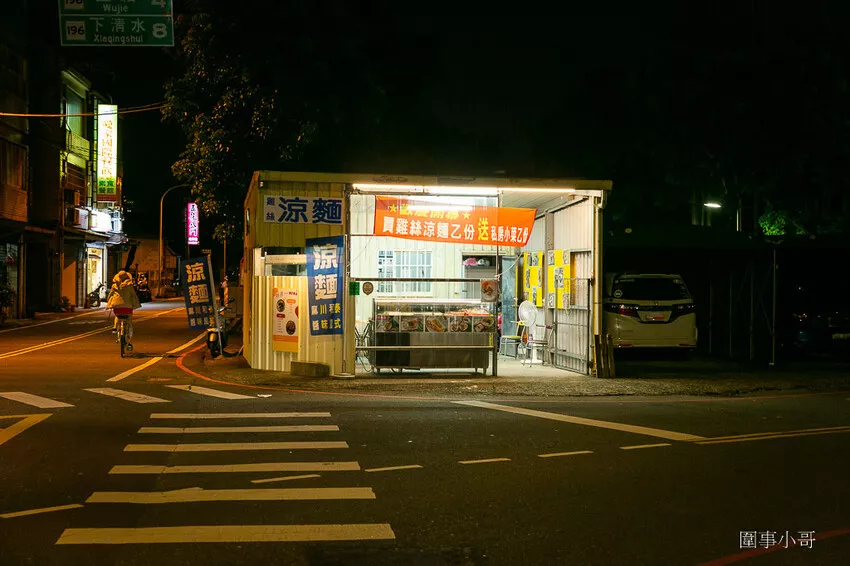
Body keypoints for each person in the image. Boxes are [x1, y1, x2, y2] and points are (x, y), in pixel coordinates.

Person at [106, 270, 142, 350]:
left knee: (117, 315)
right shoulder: (129, 286)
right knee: (129, 321)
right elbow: (134, 296)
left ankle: (115, 327)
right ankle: (128, 339)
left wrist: (109, 302)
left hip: (117, 306)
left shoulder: (114, 286)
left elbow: (110, 295)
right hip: (127, 307)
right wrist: (136, 304)